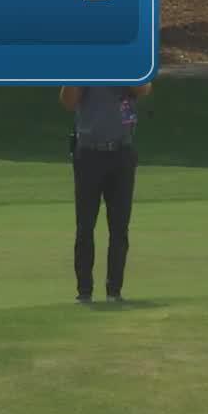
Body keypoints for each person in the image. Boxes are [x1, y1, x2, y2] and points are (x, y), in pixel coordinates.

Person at [59, 82, 151, 302]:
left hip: (122, 153)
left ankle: (114, 291)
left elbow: (144, 89)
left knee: (119, 227)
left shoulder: (128, 63)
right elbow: (68, 102)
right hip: (89, 153)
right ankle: (84, 292)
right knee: (85, 226)